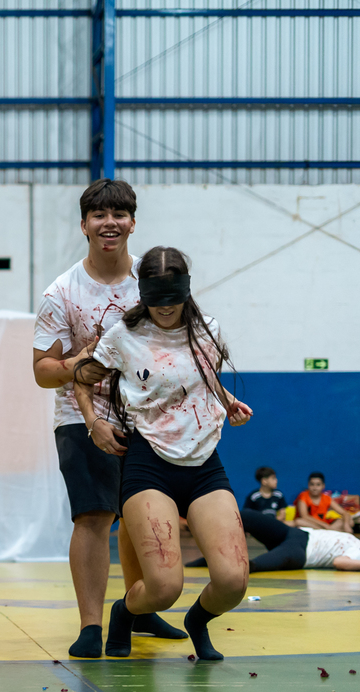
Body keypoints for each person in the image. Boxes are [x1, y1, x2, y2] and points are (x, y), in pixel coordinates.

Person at [32, 179, 186, 659]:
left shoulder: (152, 279)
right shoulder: (61, 292)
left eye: (119, 214)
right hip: (82, 417)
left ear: (133, 223)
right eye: (99, 215)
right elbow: (42, 372)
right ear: (84, 225)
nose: (109, 222)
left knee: (142, 513)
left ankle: (141, 610)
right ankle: (91, 626)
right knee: (95, 515)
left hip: (148, 416)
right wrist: (81, 362)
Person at [75, 245, 252, 661]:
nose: (166, 308)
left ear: (186, 291)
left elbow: (202, 377)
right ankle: (123, 613)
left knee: (233, 581)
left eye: (173, 298)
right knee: (164, 588)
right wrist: (93, 422)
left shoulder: (208, 330)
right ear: (143, 294)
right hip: (149, 463)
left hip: (205, 465)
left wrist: (226, 400)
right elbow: (81, 380)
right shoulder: (124, 335)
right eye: (157, 300)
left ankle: (198, 621)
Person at [187, 508, 360, 572]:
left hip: (300, 553)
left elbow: (339, 562)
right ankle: (204, 526)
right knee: (246, 516)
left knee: (252, 565)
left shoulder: (359, 557)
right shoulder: (358, 543)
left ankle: (203, 563)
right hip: (295, 534)